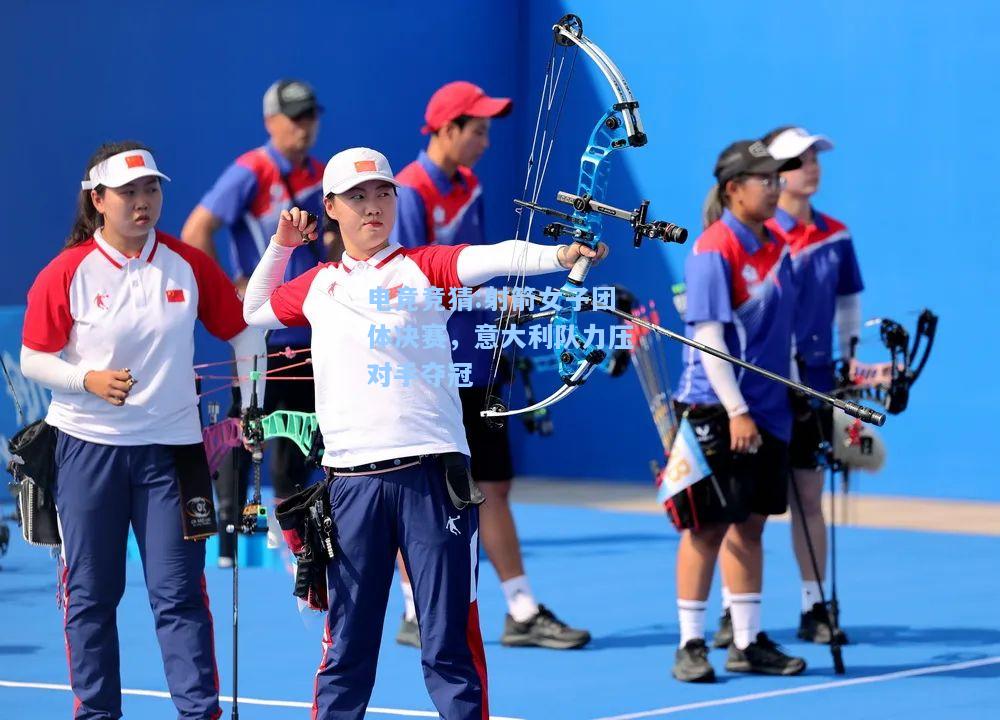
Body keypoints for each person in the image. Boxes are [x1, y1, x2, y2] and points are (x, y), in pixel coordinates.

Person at [242, 147, 607, 719]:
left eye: (382, 194)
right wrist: (282, 245)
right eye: (357, 198)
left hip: (432, 479)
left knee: (449, 645)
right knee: (346, 649)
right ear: (331, 207)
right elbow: (253, 308)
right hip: (350, 486)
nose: (372, 207)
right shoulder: (316, 284)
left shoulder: (425, 267)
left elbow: (495, 256)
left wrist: (561, 254)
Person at [20, 141, 265, 719]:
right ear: (97, 200)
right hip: (86, 451)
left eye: (151, 189)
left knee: (180, 596)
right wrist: (87, 379)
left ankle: (198, 713)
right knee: (90, 598)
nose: (142, 202)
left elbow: (246, 335)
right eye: (127, 192)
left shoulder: (187, 263)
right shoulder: (67, 271)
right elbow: (34, 357)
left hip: (173, 456)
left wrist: (250, 407)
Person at [389, 80, 590, 650]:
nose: (484, 140)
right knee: (422, 493)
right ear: (446, 130)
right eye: (476, 129)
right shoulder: (409, 192)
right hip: (428, 370)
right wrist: (490, 302)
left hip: (480, 363)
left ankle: (522, 610)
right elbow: (410, 286)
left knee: (493, 488)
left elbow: (479, 269)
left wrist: (504, 312)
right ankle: (413, 607)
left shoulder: (469, 185)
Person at [670, 140, 806, 682]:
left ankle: (747, 642)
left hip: (771, 409)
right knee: (705, 529)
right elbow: (709, 340)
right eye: (764, 179)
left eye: (778, 178)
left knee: (750, 526)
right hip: (717, 409)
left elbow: (782, 333)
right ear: (734, 189)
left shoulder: (776, 245)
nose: (775, 188)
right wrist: (736, 411)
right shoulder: (712, 248)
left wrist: (794, 389)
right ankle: (690, 644)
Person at [181, 79, 326, 563]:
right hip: (260, 332)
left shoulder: (321, 174)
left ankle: (294, 532)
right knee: (248, 428)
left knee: (303, 430)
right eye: (295, 117)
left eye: (310, 115)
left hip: (310, 329)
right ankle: (228, 536)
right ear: (271, 123)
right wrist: (230, 292)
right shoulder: (252, 170)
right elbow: (196, 229)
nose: (305, 126)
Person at [766, 126, 864, 643]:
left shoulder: (836, 234)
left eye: (814, 159)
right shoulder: (759, 238)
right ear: (774, 176)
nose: (812, 167)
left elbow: (848, 303)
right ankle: (737, 617)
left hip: (819, 385)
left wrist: (848, 364)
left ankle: (815, 606)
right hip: (765, 389)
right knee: (751, 509)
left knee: (809, 496)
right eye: (800, 161)